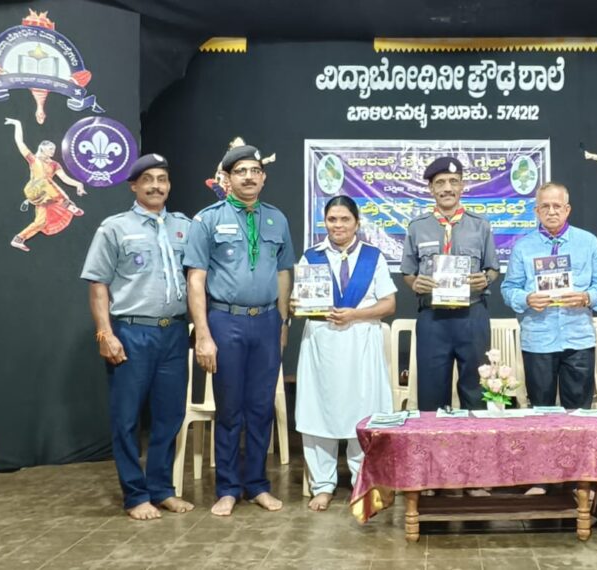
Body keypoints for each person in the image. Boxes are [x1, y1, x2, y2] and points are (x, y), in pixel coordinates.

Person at [80, 154, 194, 520]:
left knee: (169, 416)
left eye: (162, 179)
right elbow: (98, 285)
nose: (156, 186)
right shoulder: (114, 228)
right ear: (134, 186)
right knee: (127, 418)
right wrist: (104, 332)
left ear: (168, 185)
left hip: (174, 332)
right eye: (148, 179)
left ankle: (161, 490)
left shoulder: (185, 227)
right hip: (131, 332)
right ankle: (134, 495)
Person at [183, 144, 295, 516]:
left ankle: (258, 485)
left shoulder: (277, 219)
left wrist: (283, 323)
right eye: (240, 171)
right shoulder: (208, 219)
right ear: (227, 178)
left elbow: (284, 274)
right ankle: (228, 488)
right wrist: (203, 334)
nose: (248, 177)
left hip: (266, 322)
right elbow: (196, 280)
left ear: (263, 178)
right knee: (230, 409)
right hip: (225, 321)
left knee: (261, 408)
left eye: (254, 171)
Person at [294, 195, 396, 512]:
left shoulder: (373, 257)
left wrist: (355, 314)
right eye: (332, 219)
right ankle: (322, 486)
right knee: (319, 411)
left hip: (360, 343)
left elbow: (389, 304)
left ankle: (362, 483)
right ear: (325, 222)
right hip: (321, 344)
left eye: (344, 219)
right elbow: (298, 302)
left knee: (362, 411)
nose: (338, 225)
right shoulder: (311, 257)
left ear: (356, 222)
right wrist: (297, 305)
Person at [501, 182, 597, 410]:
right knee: (541, 412)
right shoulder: (523, 247)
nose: (551, 212)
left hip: (578, 339)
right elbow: (508, 288)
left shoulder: (588, 242)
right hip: (538, 340)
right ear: (536, 211)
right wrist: (527, 299)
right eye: (545, 206)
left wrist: (586, 297)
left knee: (579, 414)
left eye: (557, 206)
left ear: (567, 209)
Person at [400, 157, 499, 411]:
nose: (447, 188)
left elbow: (493, 268)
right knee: (431, 396)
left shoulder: (480, 225)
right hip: (433, 319)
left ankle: (475, 439)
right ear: (431, 188)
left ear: (462, 186)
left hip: (472, 316)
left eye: (453, 181)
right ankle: (435, 439)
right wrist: (415, 284)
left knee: (477, 392)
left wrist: (485, 278)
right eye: (440, 182)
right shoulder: (417, 227)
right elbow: (408, 272)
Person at [4, 117, 86, 252]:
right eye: (50, 149)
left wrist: (78, 184)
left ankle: (19, 239)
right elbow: (20, 142)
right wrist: (17, 124)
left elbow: (64, 178)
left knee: (41, 222)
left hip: (47, 197)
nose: (52, 152)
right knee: (45, 181)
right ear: (42, 148)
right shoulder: (33, 159)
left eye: (54, 149)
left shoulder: (54, 164)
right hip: (35, 190)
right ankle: (68, 205)